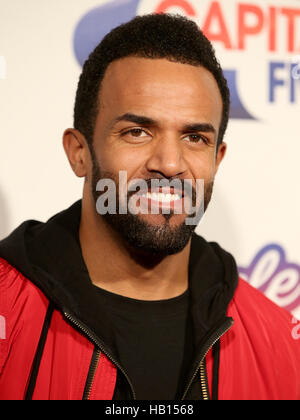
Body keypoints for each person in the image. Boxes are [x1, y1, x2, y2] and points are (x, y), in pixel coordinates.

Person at [0, 13, 299, 401]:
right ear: (79, 153)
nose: (170, 164)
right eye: (137, 132)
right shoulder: (9, 310)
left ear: (217, 160)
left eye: (194, 137)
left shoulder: (280, 343)